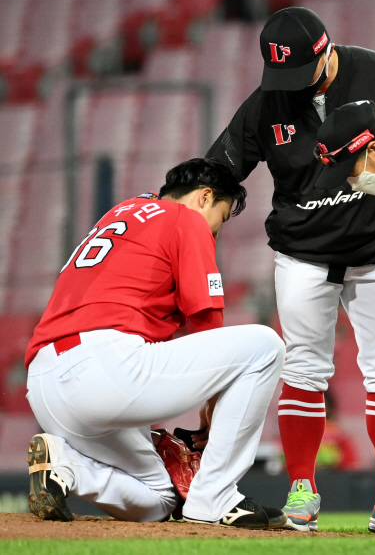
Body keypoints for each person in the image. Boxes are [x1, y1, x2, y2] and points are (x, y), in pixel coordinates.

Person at [206, 7, 375, 532]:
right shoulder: (267, 102)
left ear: (327, 50)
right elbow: (218, 170)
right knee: (303, 371)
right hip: (303, 252)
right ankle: (301, 489)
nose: (291, 87)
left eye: (299, 73)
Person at [25, 158, 287, 529]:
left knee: (160, 497)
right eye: (222, 216)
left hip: (44, 385)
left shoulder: (122, 211)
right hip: (103, 366)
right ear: (204, 196)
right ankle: (216, 498)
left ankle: (67, 467)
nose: (216, 230)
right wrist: (211, 409)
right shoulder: (187, 219)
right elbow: (207, 323)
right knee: (265, 345)